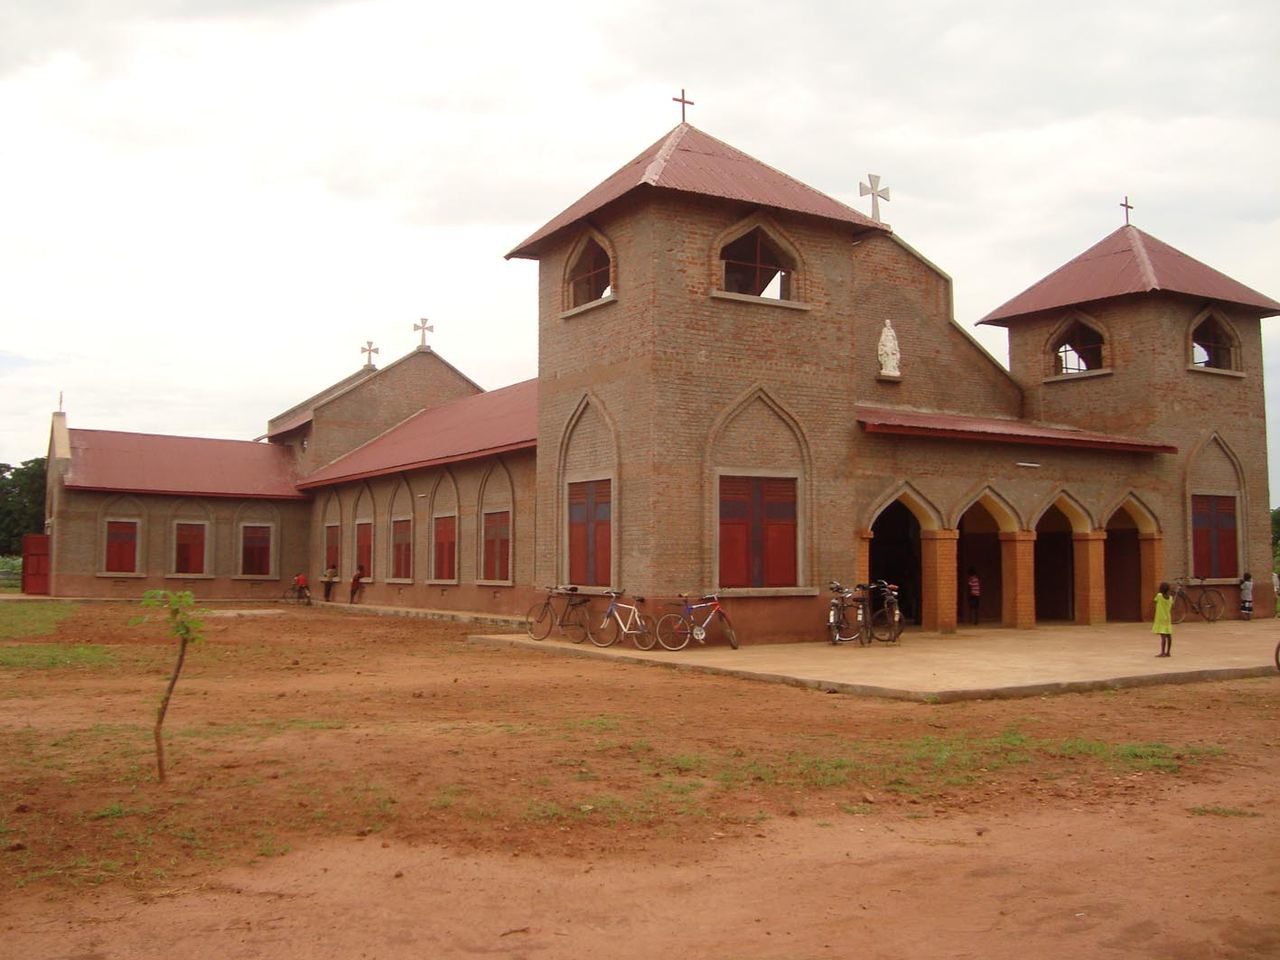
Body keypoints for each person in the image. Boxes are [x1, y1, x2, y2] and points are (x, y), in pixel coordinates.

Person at [1152, 581, 1174, 657]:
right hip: (1167, 618)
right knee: (1169, 635)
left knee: (1163, 636)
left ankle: (1162, 652)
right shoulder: (1171, 598)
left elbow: (1154, 601)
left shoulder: (1159, 596)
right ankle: (1168, 652)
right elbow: (1171, 605)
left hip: (1160, 618)